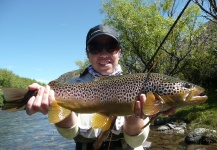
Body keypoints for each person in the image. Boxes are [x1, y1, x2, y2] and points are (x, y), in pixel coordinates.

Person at [25, 24, 174, 150]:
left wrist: (134, 114)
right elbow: (69, 134)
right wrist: (50, 103)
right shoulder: (73, 86)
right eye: (95, 47)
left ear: (119, 52)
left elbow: (135, 142)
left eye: (111, 46)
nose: (103, 54)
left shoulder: (140, 84)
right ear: (87, 53)